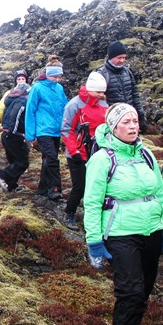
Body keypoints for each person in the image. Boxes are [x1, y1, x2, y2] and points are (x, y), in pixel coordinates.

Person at [84, 103, 163, 325]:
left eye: (135, 121)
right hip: (120, 235)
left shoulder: (146, 154)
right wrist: (94, 241)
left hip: (151, 231)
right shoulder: (102, 159)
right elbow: (91, 203)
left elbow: (159, 192)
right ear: (113, 127)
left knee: (143, 292)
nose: (133, 126)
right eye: (126, 122)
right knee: (131, 293)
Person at [60, 71, 109, 229]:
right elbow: (67, 130)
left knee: (99, 185)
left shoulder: (103, 104)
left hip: (98, 152)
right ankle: (69, 213)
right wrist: (74, 152)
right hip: (78, 153)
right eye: (98, 92)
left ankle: (96, 216)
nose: (102, 95)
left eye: (103, 91)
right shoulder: (74, 105)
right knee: (80, 186)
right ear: (89, 89)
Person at [24, 55, 68, 200]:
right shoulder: (37, 88)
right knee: (52, 159)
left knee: (47, 159)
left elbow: (65, 107)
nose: (57, 79)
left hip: (56, 131)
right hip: (43, 130)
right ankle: (55, 188)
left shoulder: (59, 88)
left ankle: (42, 189)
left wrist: (67, 128)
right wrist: (30, 135)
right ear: (48, 74)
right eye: (55, 76)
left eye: (59, 76)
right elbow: (30, 111)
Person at [95, 40, 147, 133]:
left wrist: (140, 116)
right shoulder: (101, 74)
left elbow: (135, 95)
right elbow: (97, 100)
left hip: (129, 116)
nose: (122, 61)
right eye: (119, 58)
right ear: (111, 57)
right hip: (112, 120)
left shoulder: (127, 72)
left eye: (124, 58)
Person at [0, 82, 31, 192]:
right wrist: (13, 132)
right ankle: (2, 175)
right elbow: (15, 116)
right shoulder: (22, 101)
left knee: (14, 161)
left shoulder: (11, 100)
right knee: (22, 162)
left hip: (6, 134)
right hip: (14, 135)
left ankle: (10, 186)